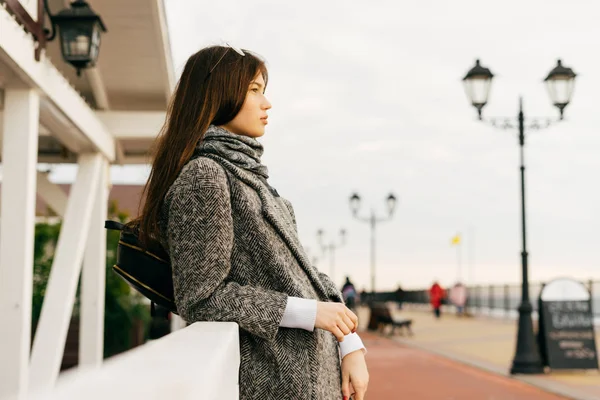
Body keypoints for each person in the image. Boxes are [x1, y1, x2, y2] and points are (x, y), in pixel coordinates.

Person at [136, 45, 369, 400]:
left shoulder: (256, 182)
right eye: (254, 90)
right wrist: (309, 313)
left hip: (311, 379)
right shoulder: (205, 177)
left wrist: (350, 342)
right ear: (220, 96)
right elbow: (201, 299)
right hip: (277, 385)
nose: (267, 103)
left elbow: (303, 274)